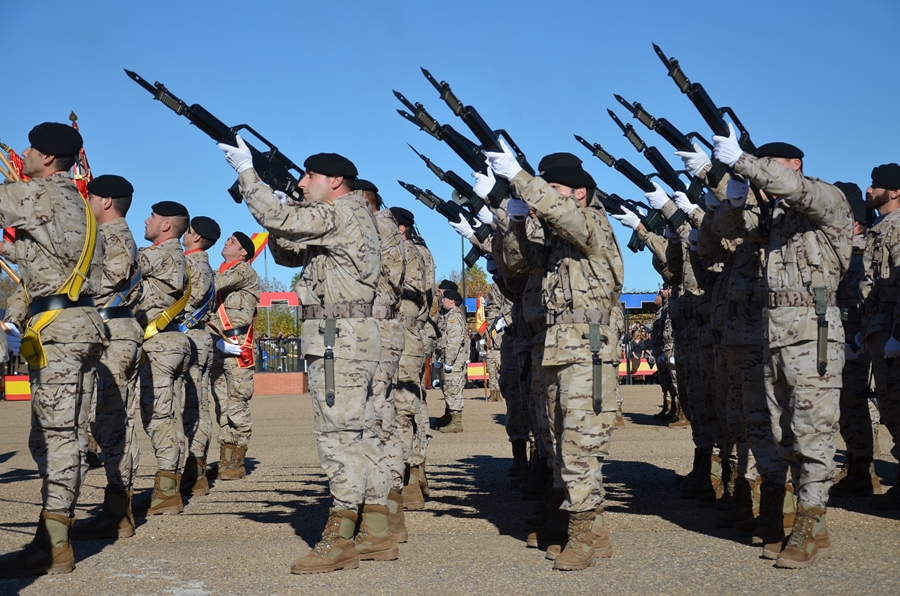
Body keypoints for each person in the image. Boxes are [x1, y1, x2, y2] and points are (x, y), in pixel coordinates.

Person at [219, 138, 385, 574]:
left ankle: (341, 538)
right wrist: (280, 204)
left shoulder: (340, 211)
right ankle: (380, 529)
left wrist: (247, 172)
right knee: (360, 430)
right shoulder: (346, 216)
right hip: (346, 333)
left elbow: (279, 219)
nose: (303, 182)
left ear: (335, 181)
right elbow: (287, 251)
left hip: (336, 336)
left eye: (310, 176)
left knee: (338, 435)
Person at [712, 131, 852, 568]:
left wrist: (747, 162)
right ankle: (809, 521)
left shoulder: (824, 199)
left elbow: (795, 190)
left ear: (793, 165)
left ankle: (810, 524)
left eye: (771, 167)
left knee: (814, 431)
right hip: (773, 333)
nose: (764, 176)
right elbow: (725, 233)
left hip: (815, 331)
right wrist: (732, 197)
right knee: (783, 433)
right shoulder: (775, 218)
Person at [486, 144, 624, 571]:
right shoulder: (557, 242)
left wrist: (522, 179)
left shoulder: (591, 222)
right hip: (556, 345)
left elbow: (566, 218)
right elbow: (515, 262)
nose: (544, 196)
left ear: (580, 193)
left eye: (555, 188)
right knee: (558, 442)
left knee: (581, 444)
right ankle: (587, 528)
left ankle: (583, 534)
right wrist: (512, 217)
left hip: (589, 346)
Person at [0, 123, 106, 577]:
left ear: (46, 158)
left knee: (59, 435)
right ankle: (54, 530)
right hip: (76, 324)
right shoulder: (83, 207)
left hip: (59, 328)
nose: (21, 154)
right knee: (53, 432)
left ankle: (55, 544)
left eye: (29, 149)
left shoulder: (35, 195)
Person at [71, 175, 144, 540]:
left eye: (91, 196)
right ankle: (117, 508)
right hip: (113, 332)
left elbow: (108, 279)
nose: (86, 202)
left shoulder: (113, 235)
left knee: (111, 421)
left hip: (113, 334)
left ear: (107, 202)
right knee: (110, 420)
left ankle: (118, 513)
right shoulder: (109, 234)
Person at [357, 178, 408, 546]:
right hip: (364, 327)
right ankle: (379, 501)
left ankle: (389, 505)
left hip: (379, 326)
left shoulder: (382, 225)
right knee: (367, 413)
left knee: (378, 410)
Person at [136, 201, 193, 516]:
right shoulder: (177, 257)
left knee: (157, 416)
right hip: (172, 341)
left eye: (153, 217)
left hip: (157, 343)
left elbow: (113, 268)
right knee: (171, 416)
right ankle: (169, 486)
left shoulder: (158, 255)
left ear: (167, 226)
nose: (147, 221)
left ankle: (167, 493)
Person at [859, 163, 900, 509]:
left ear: (895, 191)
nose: (869, 190)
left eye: (876, 186)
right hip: (877, 329)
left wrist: (897, 334)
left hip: (892, 331)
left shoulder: (898, 227)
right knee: (889, 406)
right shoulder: (879, 228)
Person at [210, 232, 261, 482]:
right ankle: (225, 459)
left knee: (237, 405)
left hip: (238, 344)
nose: (226, 242)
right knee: (222, 404)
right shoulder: (221, 270)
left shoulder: (242, 271)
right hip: (218, 344)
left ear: (243, 252)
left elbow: (213, 284)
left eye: (232, 241)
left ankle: (238, 461)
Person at [389, 206, 430, 510]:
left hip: (405, 335)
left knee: (405, 409)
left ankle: (412, 476)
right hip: (384, 336)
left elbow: (420, 291)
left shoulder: (413, 252)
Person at [179, 216, 219, 496]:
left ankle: (192, 471)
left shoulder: (191, 263)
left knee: (190, 407)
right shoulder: (205, 265)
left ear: (195, 237)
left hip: (189, 336)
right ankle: (197, 469)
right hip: (201, 336)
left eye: (188, 231)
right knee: (200, 406)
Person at [437, 289, 468, 433]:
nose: (441, 300)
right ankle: (450, 416)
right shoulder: (449, 315)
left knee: (453, 389)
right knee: (448, 388)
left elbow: (454, 341)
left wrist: (448, 361)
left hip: (454, 360)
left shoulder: (454, 317)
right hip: (449, 358)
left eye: (444, 298)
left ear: (451, 300)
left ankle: (457, 422)